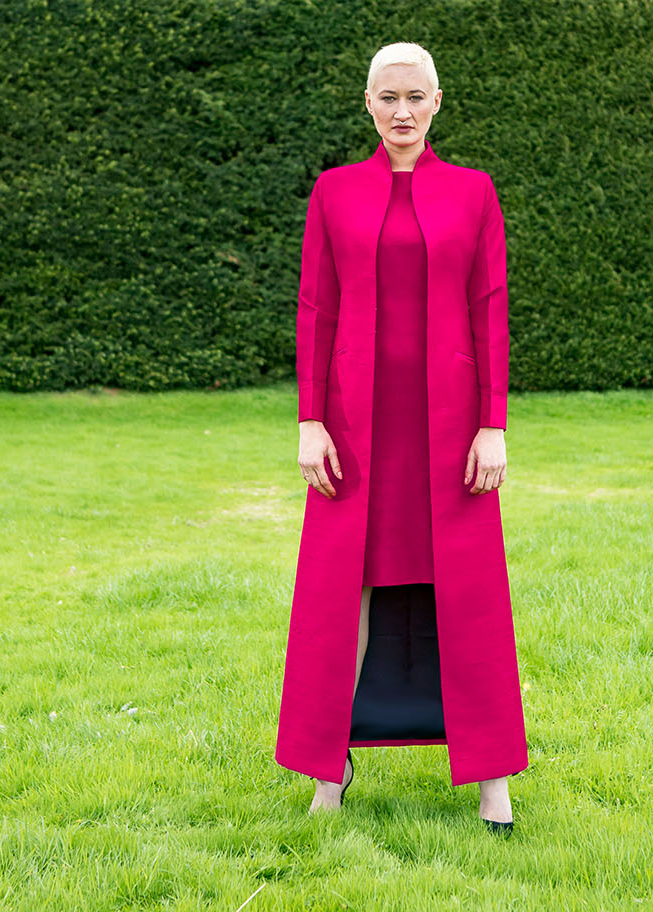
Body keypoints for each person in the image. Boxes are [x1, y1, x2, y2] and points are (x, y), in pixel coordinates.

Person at [274, 41, 527, 834]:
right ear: (368, 103)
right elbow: (316, 308)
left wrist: (493, 425)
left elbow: (491, 308)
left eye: (416, 97)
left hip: (451, 432)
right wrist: (311, 419)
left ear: (438, 102)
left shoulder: (475, 193)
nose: (403, 112)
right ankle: (327, 773)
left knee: (472, 595)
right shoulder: (333, 193)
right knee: (337, 593)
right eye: (389, 97)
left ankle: (492, 782)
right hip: (354, 428)